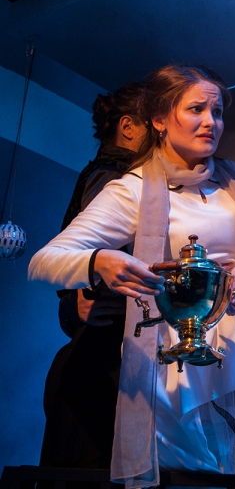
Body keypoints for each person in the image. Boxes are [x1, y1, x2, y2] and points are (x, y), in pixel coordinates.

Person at [29, 64, 235, 487]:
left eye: (217, 112)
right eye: (196, 109)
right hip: (178, 367)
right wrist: (99, 261)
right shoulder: (132, 189)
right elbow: (44, 261)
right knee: (194, 479)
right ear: (160, 119)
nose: (211, 122)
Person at [40, 82, 147, 469]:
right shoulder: (116, 179)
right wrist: (81, 299)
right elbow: (86, 258)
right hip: (99, 363)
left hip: (97, 357)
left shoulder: (109, 174)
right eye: (152, 123)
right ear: (127, 126)